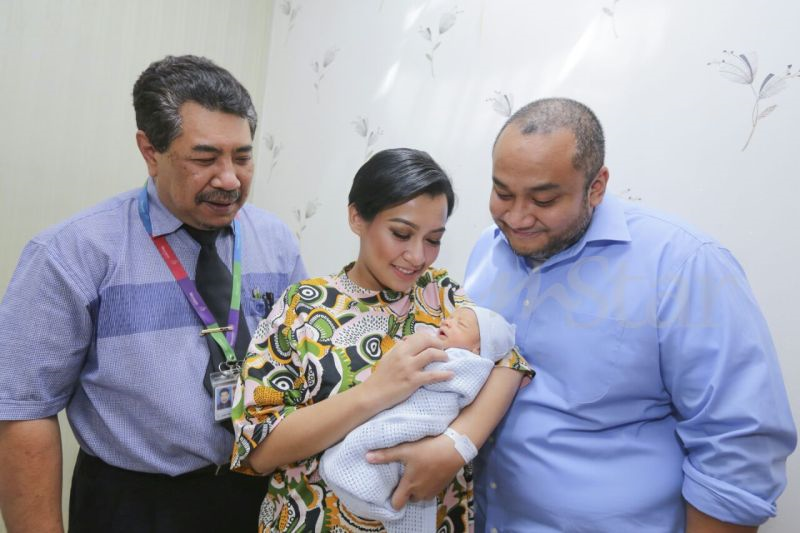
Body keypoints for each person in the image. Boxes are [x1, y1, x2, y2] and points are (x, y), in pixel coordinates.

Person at [0, 55, 306, 533]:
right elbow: (22, 408)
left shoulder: (276, 242)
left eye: (243, 157)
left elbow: (300, 367)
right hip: (136, 504)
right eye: (205, 158)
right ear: (150, 150)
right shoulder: (73, 252)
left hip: (261, 491)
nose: (230, 179)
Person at [465, 97, 797, 532]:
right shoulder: (487, 251)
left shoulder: (682, 265)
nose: (517, 217)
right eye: (502, 193)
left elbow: (739, 445)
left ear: (596, 186)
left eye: (543, 199)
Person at [231, 148, 533, 532]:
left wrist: (456, 446)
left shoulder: (439, 294)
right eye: (401, 234)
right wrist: (375, 392)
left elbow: (509, 360)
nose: (417, 256)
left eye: (433, 239)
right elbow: (258, 448)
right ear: (357, 217)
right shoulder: (303, 307)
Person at [318, 306, 518, 532]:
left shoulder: (469, 362)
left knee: (383, 441)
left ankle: (361, 479)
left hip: (428, 417)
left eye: (460, 324)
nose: (447, 322)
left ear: (478, 348)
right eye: (450, 318)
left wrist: (457, 445)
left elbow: (450, 377)